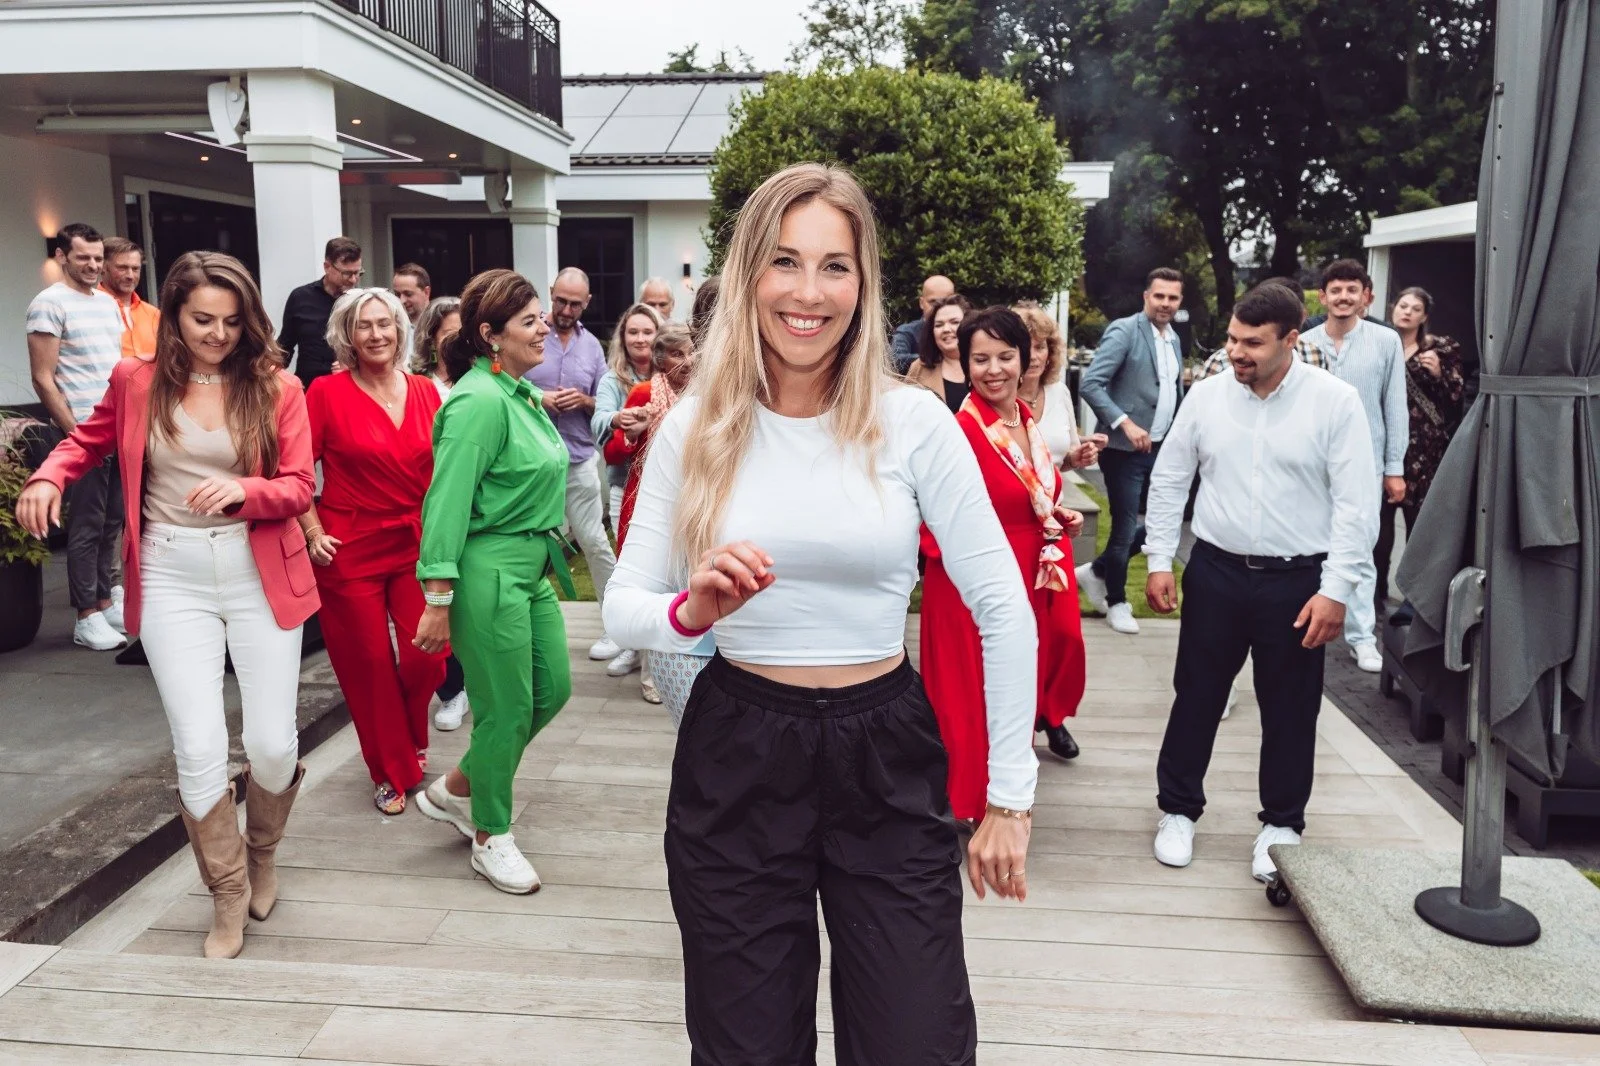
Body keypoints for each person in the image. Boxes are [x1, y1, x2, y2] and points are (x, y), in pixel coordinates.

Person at [603, 162, 1036, 1063]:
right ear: (749, 274)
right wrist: (693, 609)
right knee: (746, 1048)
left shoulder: (914, 424)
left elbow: (1002, 604)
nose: (809, 293)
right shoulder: (696, 426)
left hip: (886, 749)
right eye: (786, 262)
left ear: (863, 284)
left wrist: (1009, 797)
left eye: (834, 266)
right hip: (740, 749)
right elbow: (622, 606)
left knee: (918, 1043)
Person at [18, 250, 319, 958]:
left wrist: (246, 491)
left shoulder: (277, 386)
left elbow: (300, 484)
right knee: (199, 744)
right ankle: (227, 891)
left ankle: (263, 853)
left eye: (232, 321)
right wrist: (47, 476)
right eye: (202, 319)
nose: (218, 334)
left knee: (272, 744)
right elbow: (87, 441)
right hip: (170, 575)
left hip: (257, 571)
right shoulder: (136, 380)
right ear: (174, 315)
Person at [1143, 283, 1376, 883]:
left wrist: (1336, 590)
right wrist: (1160, 558)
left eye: (1252, 343)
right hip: (1215, 570)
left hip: (1298, 580)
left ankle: (1282, 823)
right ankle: (1177, 810)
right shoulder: (1207, 396)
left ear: (1290, 340)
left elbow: (1357, 505)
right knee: (1196, 694)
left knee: (1291, 706)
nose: (1236, 352)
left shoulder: (1335, 402)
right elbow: (1170, 478)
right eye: (1232, 339)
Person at [412, 269, 574, 895]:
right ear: (490, 335)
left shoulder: (518, 392)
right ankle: (490, 836)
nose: (544, 328)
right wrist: (438, 599)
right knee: (504, 710)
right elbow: (445, 504)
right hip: (489, 569)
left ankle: (456, 788)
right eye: (530, 321)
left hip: (531, 567)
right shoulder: (478, 401)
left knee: (551, 691)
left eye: (541, 317)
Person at [921, 305, 1088, 819]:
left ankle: (1006, 793)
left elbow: (1028, 492)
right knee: (971, 694)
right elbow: (929, 518)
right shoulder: (957, 432)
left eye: (1005, 356)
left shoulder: (1026, 420)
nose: (994, 370)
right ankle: (968, 802)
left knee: (1014, 690)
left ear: (1025, 357)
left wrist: (1055, 515)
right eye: (980, 359)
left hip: (1030, 572)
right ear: (964, 363)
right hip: (969, 584)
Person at [298, 288, 447, 815]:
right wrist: (312, 531)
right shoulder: (325, 392)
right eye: (364, 325)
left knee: (426, 657)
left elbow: (448, 471)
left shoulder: (427, 391)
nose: (376, 334)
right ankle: (389, 769)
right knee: (369, 666)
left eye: (385, 323)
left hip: (417, 545)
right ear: (347, 334)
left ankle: (408, 740)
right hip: (350, 547)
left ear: (401, 329)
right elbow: (296, 472)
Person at [1300, 259, 1408, 673]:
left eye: (1352, 290)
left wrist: (1394, 468)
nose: (1343, 297)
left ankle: (1362, 637)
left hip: (1366, 462)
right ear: (1323, 296)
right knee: (1308, 546)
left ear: (1367, 296)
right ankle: (1304, 622)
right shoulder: (1303, 342)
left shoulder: (1385, 341)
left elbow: (1394, 406)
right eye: (1336, 290)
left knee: (1360, 549)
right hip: (1312, 463)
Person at [27, 222, 128, 650]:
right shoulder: (48, 304)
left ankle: (104, 601)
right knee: (86, 525)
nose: (92, 265)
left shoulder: (106, 302)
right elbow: (43, 378)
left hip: (116, 427)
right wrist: (77, 435)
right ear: (61, 256)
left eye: (98, 258)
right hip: (82, 432)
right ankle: (86, 616)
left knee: (112, 521)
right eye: (83, 257)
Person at [1077, 267, 1187, 636]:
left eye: (1172, 297)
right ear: (1146, 297)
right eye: (1159, 296)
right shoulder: (1125, 330)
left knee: (1161, 521)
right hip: (1123, 449)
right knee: (1124, 527)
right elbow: (1091, 384)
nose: (1165, 303)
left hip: (1161, 447)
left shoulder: (1173, 339)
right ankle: (1117, 601)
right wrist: (1125, 423)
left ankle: (1096, 571)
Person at [527, 266, 623, 668]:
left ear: (587, 303)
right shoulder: (530, 332)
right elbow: (505, 382)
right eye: (560, 301)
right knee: (528, 548)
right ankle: (524, 630)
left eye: (575, 304)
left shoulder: (592, 347)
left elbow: (604, 401)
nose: (566, 310)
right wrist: (540, 398)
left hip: (579, 459)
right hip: (531, 463)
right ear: (551, 292)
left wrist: (583, 401)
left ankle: (617, 628)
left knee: (595, 544)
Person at [603, 324, 695, 707]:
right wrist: (632, 432)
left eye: (690, 352)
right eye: (676, 353)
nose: (686, 361)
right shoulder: (644, 392)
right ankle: (649, 672)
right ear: (660, 359)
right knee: (652, 580)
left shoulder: (703, 392)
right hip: (647, 496)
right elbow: (612, 453)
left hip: (693, 498)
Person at [1376, 286, 1466, 603]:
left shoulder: (1439, 349)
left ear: (1424, 316)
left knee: (1419, 527)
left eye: (1415, 309)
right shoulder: (1379, 345)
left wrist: (1439, 373)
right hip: (1386, 445)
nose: (1407, 312)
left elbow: (1456, 399)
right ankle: (1376, 596)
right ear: (1393, 308)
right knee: (1380, 527)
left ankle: (1416, 601)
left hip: (1423, 451)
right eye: (1403, 305)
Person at [410, 298, 473, 734]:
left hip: (472, 507)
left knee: (468, 600)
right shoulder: (417, 386)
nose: (457, 341)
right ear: (431, 339)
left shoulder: (483, 384)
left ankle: (470, 682)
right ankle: (450, 689)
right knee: (435, 598)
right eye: (448, 333)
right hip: (426, 504)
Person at [592, 301, 664, 542]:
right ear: (623, 338)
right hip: (624, 484)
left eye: (647, 332)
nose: (640, 339)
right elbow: (598, 420)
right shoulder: (612, 380)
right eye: (633, 332)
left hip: (664, 484)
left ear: (659, 336)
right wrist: (617, 418)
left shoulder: (671, 375)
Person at [1012, 302, 1102, 471]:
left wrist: (1076, 458)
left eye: (1039, 347)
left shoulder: (1059, 391)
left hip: (1054, 489)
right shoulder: (998, 396)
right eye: (1024, 347)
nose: (1033, 356)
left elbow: (1063, 459)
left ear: (1050, 352)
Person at [279, 236, 362, 389]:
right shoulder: (300, 297)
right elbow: (285, 347)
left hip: (350, 388)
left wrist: (353, 367)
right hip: (308, 388)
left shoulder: (361, 302)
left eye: (357, 273)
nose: (353, 280)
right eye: (347, 273)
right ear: (327, 267)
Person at [902, 293, 974, 412]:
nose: (946, 329)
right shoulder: (920, 367)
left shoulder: (986, 364)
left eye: (954, 322)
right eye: (939, 325)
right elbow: (905, 411)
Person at [101, 237, 160, 360]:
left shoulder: (154, 314)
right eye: (122, 268)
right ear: (103, 267)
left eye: (135, 269)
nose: (130, 275)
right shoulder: (88, 310)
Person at [890, 274, 956, 373]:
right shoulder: (907, 332)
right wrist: (934, 358)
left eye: (945, 302)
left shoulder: (963, 329)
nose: (938, 307)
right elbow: (896, 360)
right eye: (933, 302)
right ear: (921, 303)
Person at [411, 296, 462, 403]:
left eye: (462, 333)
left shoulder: (479, 377)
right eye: (449, 334)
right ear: (431, 339)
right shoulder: (414, 384)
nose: (458, 339)